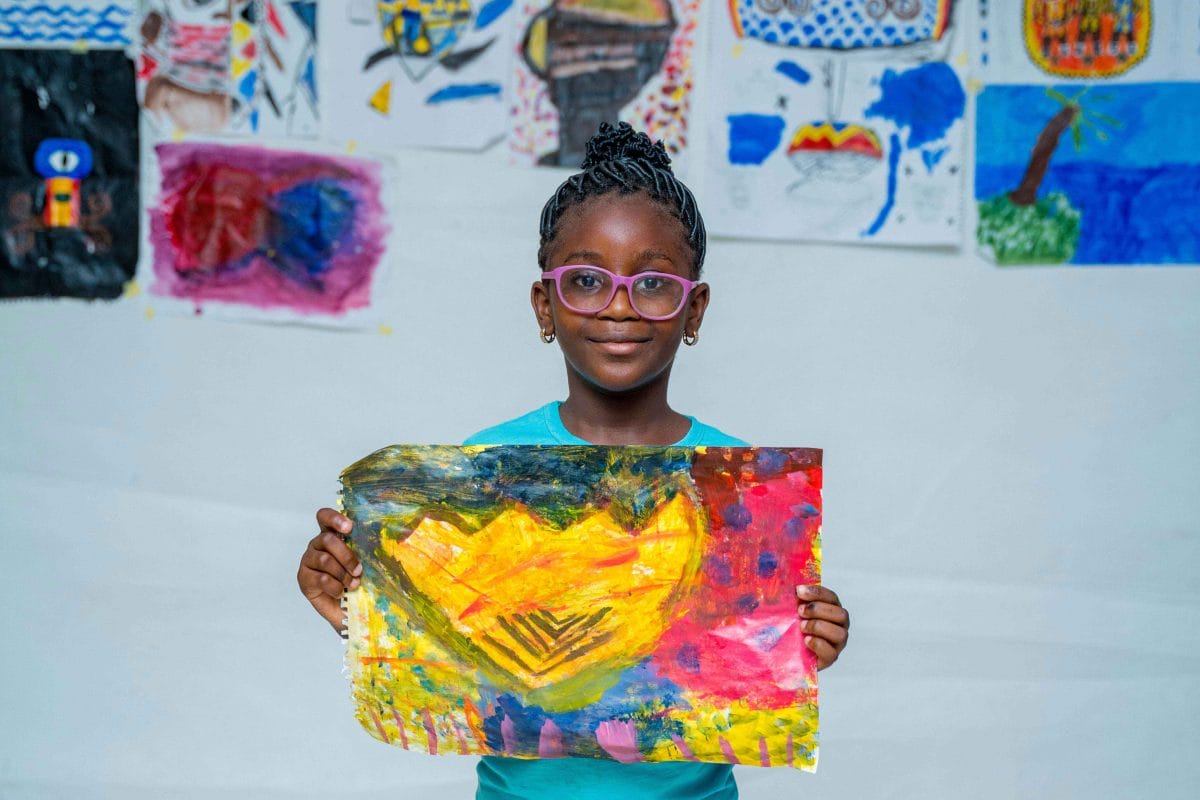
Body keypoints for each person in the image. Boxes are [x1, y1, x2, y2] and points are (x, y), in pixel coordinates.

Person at [297, 121, 851, 799]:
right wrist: (358, 598)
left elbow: (747, 661)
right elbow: (450, 645)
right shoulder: (485, 472)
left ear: (694, 308)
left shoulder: (737, 492)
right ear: (545, 304)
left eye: (653, 283)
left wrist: (805, 638)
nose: (619, 306)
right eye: (586, 280)